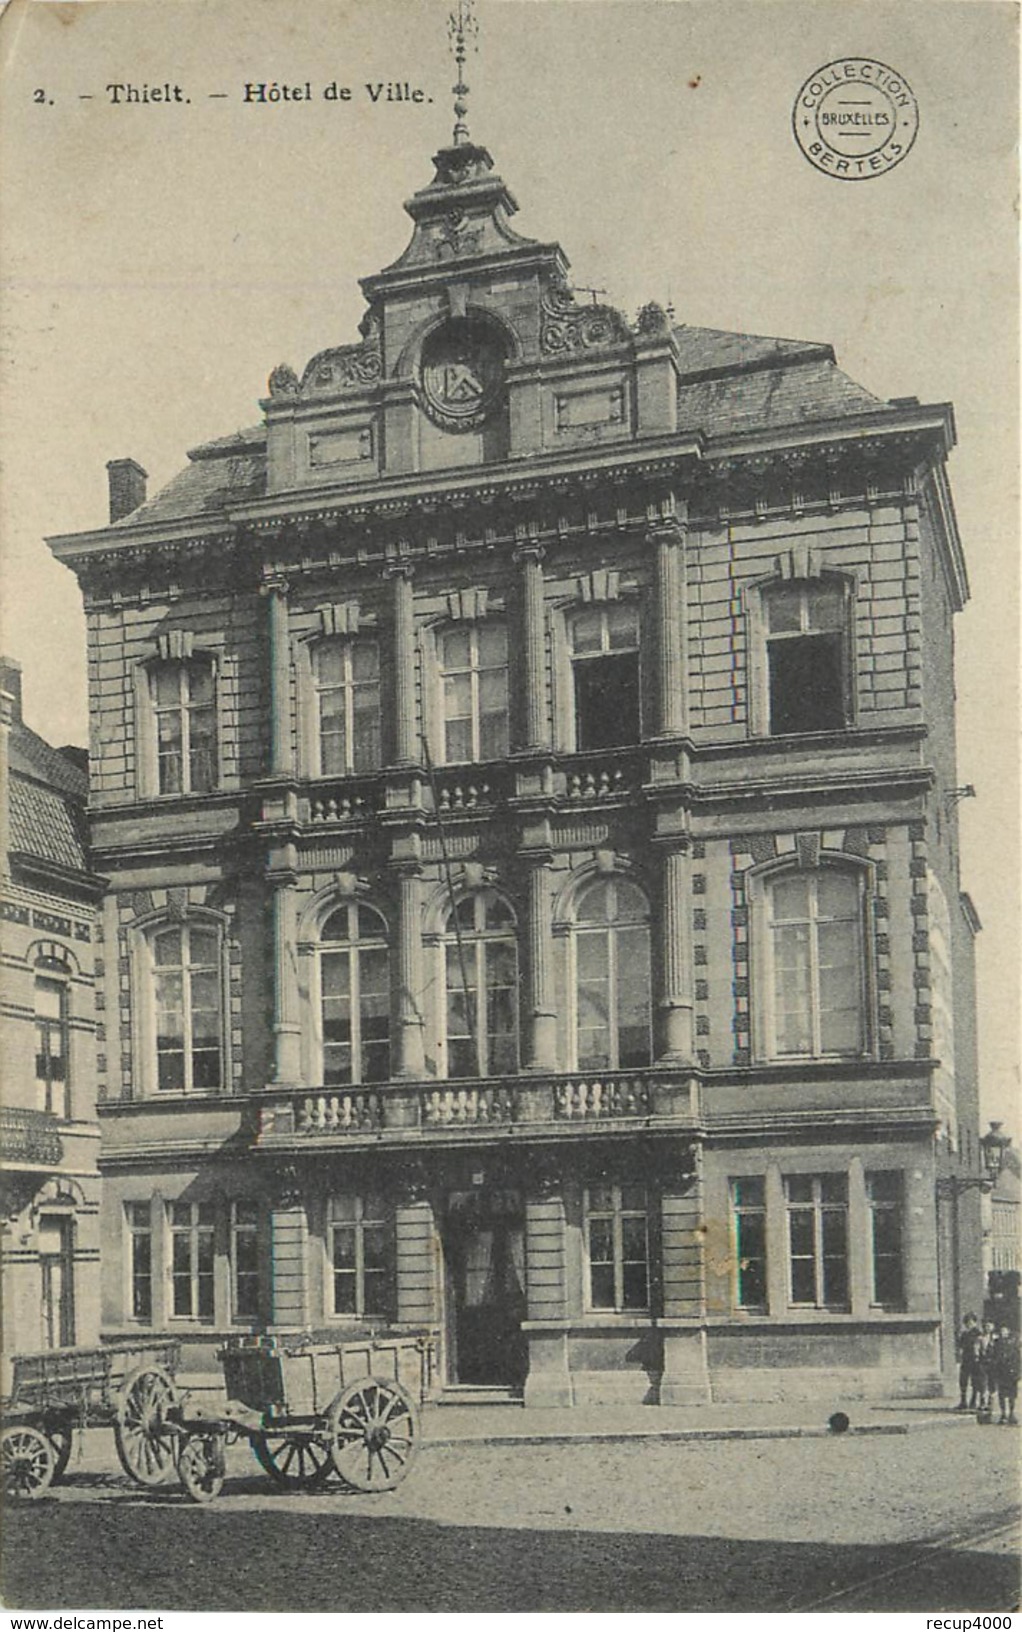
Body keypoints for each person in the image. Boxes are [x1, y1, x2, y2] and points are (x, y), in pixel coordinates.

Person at [993, 1325, 1020, 1425]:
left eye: (1004, 1330)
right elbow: (994, 1357)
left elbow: (1017, 1359)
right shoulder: (997, 1344)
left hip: (1011, 1373)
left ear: (1008, 1332)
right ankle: (1003, 1414)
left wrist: (1018, 1373)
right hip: (1001, 1373)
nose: (1002, 1332)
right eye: (1001, 1331)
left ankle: (1011, 1414)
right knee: (1002, 1395)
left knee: (1012, 1395)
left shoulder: (1013, 1344)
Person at [956, 1312, 982, 1409]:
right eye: (967, 1323)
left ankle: (973, 1401)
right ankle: (963, 1401)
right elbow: (960, 1346)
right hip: (965, 1360)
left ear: (975, 1322)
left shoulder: (978, 1333)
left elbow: (979, 1346)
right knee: (963, 1381)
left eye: (971, 1322)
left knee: (975, 1381)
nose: (969, 1324)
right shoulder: (964, 1334)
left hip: (975, 1360)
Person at [974, 1318, 998, 1416]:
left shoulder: (996, 1338)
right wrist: (977, 1357)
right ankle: (983, 1402)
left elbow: (999, 1349)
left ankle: (991, 1403)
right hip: (983, 1362)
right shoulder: (980, 1338)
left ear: (993, 1327)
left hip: (993, 1363)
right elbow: (976, 1348)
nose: (987, 1328)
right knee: (983, 1382)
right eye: (985, 1326)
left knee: (992, 1383)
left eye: (989, 1326)